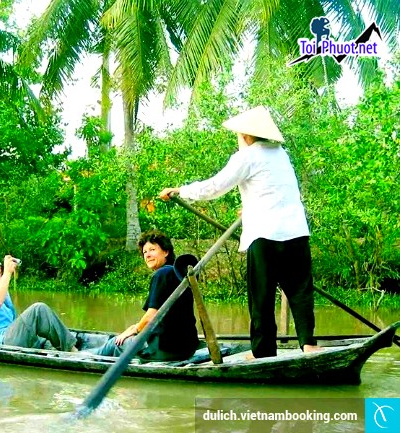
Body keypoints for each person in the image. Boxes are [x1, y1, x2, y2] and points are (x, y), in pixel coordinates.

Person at [158, 105, 321, 358]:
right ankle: (308, 344)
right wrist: (249, 208)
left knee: (261, 297)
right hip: (296, 232)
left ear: (246, 136)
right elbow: (275, 190)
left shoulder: (247, 156)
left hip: (265, 236)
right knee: (300, 291)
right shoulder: (281, 154)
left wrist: (179, 190)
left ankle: (263, 351)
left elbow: (214, 187)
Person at [90, 229, 200, 361]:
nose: (147, 255)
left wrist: (135, 329)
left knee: (115, 343)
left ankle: (84, 358)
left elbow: (151, 317)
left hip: (165, 349)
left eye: (152, 250)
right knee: (126, 336)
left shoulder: (162, 274)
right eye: (145, 252)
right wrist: (136, 327)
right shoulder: (179, 276)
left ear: (166, 252)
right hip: (187, 349)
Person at [0, 255, 77, 352]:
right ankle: (73, 352)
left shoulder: (1, 291)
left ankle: (64, 351)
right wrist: (7, 273)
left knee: (45, 340)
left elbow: (13, 321)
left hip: (8, 338)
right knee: (38, 310)